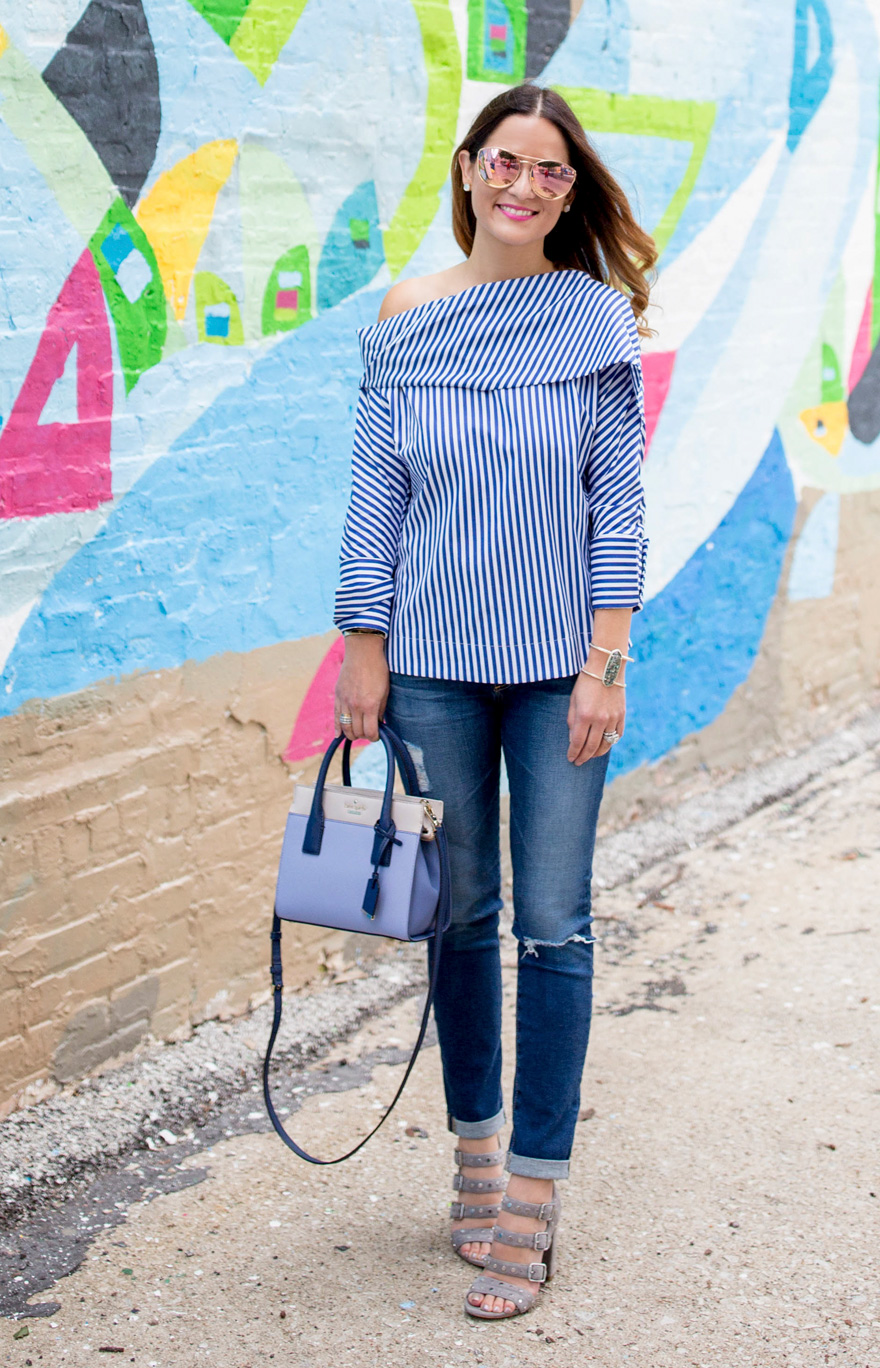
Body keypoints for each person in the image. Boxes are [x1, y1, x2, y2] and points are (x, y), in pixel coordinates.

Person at [333, 82, 657, 1320]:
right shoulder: (407, 315)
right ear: (468, 170)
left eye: (552, 173)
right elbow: (376, 496)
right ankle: (472, 1152)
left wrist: (605, 659)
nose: (526, 187)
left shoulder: (592, 323)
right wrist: (362, 647)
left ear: (570, 192)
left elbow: (614, 504)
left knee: (555, 924)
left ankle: (534, 1184)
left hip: (555, 672)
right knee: (459, 916)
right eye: (507, 163)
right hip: (426, 666)